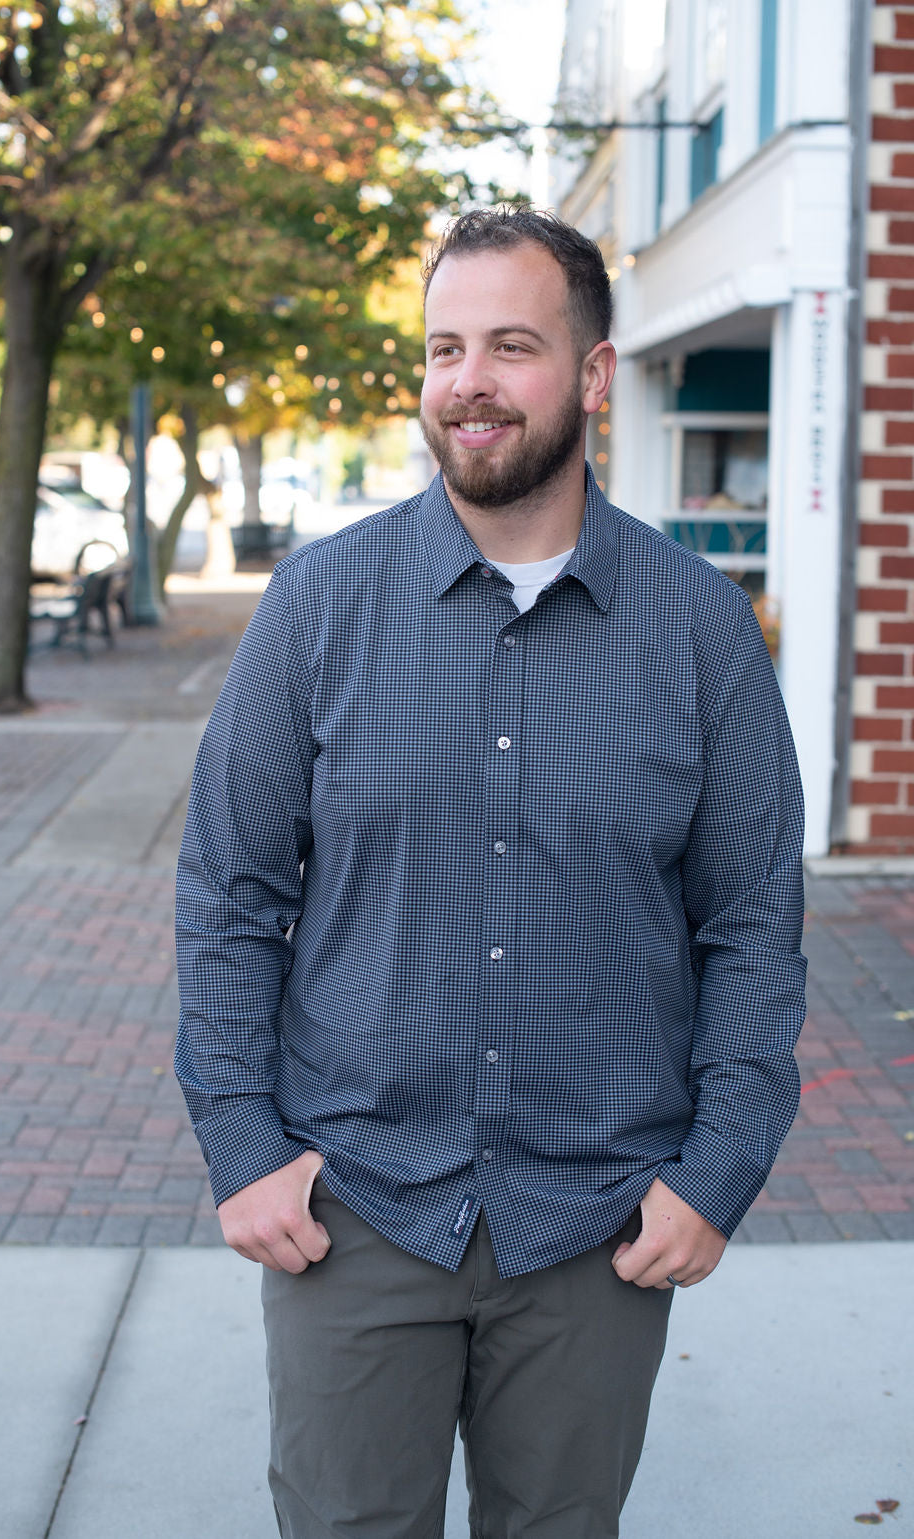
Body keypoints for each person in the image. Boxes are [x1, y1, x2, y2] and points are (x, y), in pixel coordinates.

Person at [175, 206, 807, 1539]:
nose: (468, 381)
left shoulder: (700, 629)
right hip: (356, 1212)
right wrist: (241, 1141)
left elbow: (750, 923)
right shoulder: (319, 607)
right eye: (443, 347)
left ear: (590, 376)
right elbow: (232, 887)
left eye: (511, 345)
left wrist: (722, 1165)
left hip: (597, 1225)